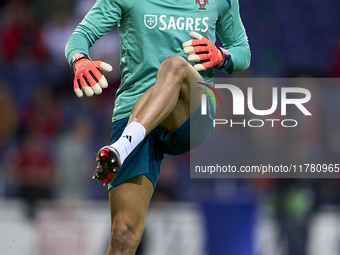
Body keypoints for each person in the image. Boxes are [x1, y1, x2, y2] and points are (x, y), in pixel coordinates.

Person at [65, 0, 250, 254]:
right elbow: (80, 37)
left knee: (174, 65)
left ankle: (123, 147)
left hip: (190, 110)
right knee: (123, 234)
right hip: (136, 110)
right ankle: (126, 145)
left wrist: (221, 57)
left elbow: (242, 52)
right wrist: (80, 61)